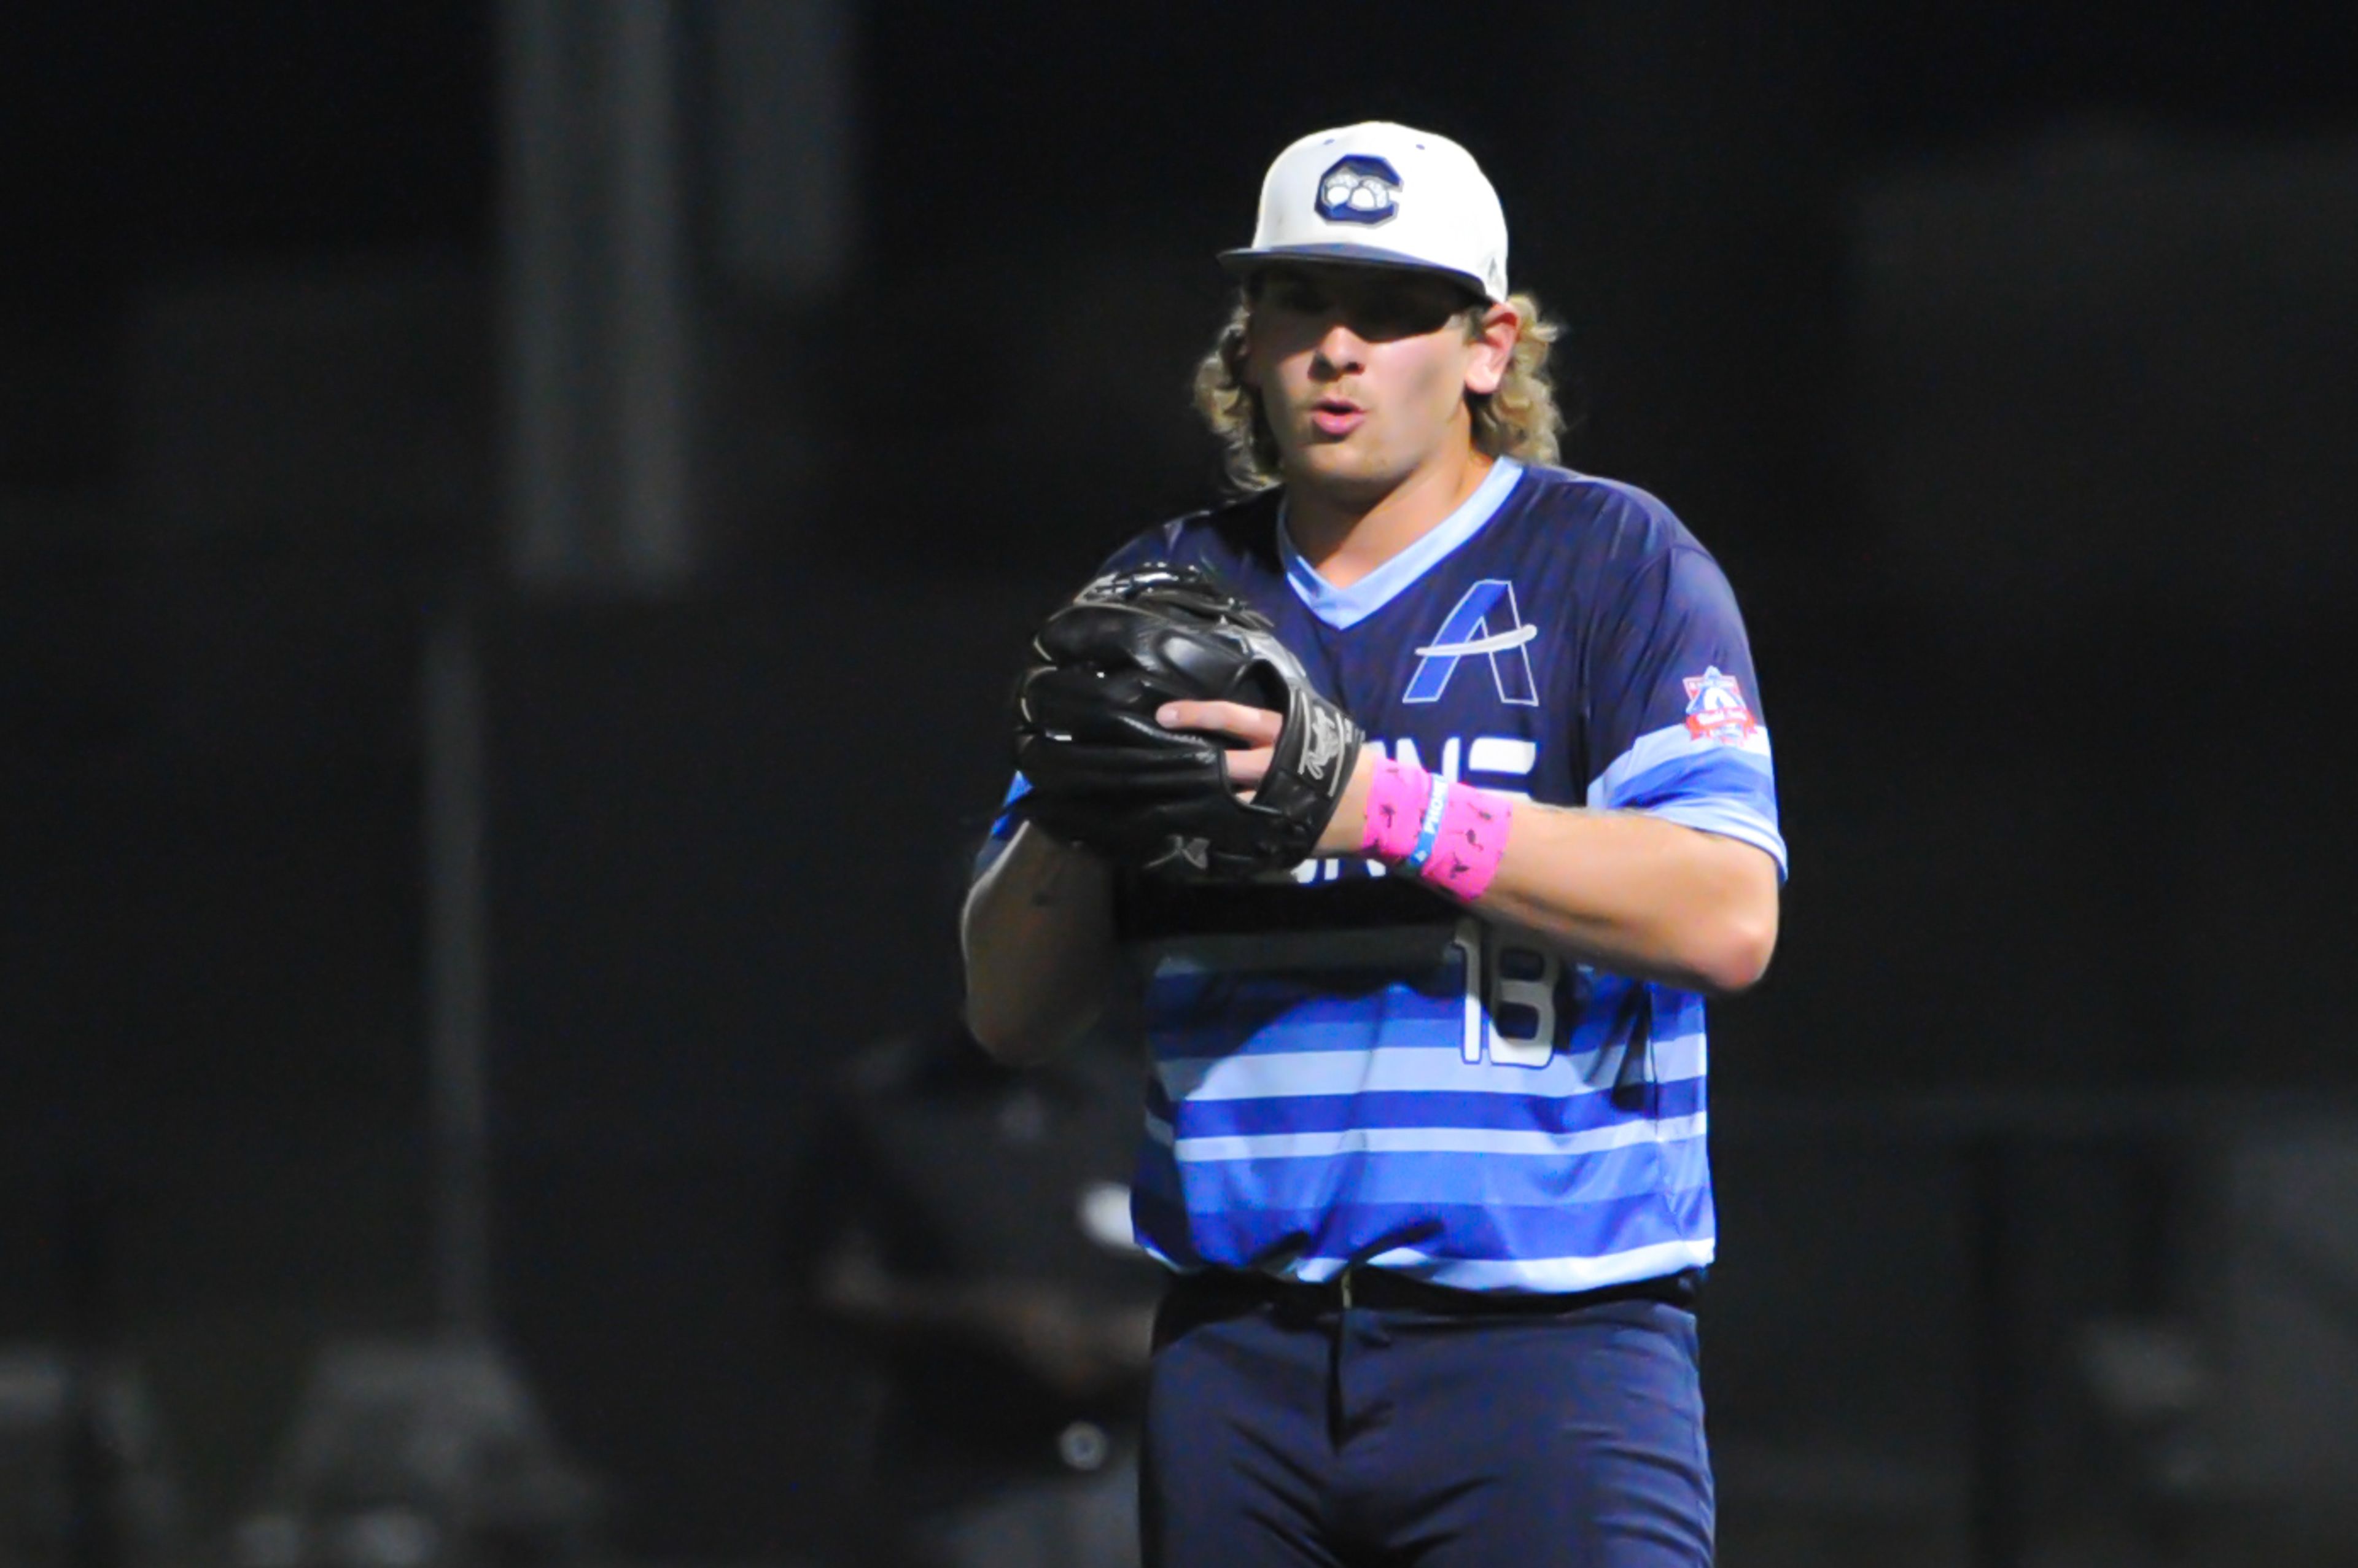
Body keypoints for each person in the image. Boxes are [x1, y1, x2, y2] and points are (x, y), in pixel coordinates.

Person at [961, 122, 1785, 1568]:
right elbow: (1009, 1008)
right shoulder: (1169, 591)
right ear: (1249, 336)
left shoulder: (1610, 561)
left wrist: (1371, 804)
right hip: (1239, 1359)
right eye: (1300, 298)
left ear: (1488, 345)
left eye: (1394, 307)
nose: (1338, 346)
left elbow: (1724, 912)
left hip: (1548, 1347)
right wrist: (1077, 810)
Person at [785, 1020, 1162, 1568]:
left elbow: (1246, 1274)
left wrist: (1148, 1333)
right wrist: (984, 1318)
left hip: (1140, 1469)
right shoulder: (886, 1101)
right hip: (963, 1478)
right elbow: (821, 1289)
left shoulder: (1136, 1097)